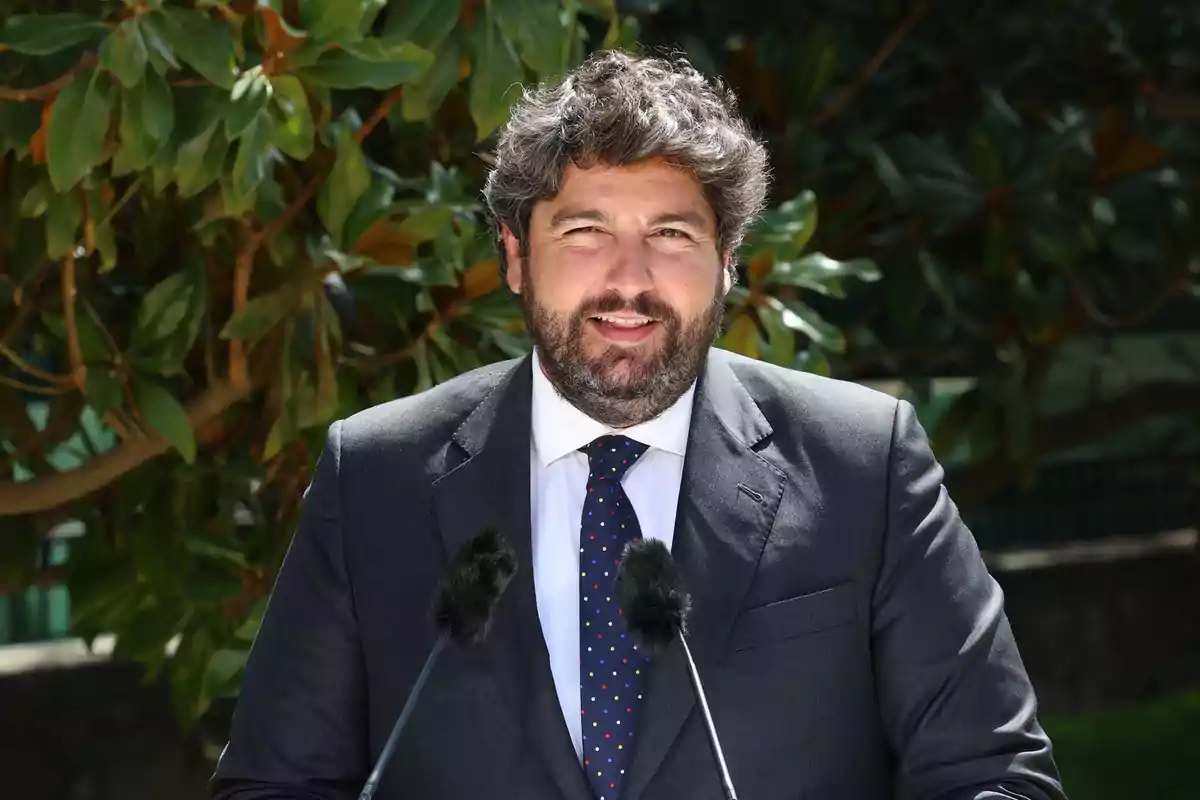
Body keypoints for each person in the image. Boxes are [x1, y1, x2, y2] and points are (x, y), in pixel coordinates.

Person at [210, 50, 1067, 800]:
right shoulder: (376, 477)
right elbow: (276, 783)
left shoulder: (864, 464)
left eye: (671, 234)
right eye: (585, 231)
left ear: (727, 261)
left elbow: (995, 777)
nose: (629, 279)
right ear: (515, 256)